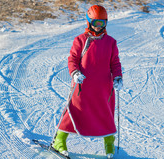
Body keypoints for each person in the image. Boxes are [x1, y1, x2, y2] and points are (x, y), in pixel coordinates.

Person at [52, 5, 123, 158]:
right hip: (82, 86)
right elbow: (73, 59)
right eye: (96, 23)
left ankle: (109, 144)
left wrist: (117, 77)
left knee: (106, 115)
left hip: (104, 88)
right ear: (89, 22)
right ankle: (59, 140)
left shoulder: (111, 42)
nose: (99, 27)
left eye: (102, 23)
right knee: (73, 112)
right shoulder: (81, 40)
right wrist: (75, 73)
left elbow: (115, 63)